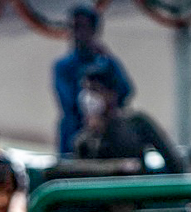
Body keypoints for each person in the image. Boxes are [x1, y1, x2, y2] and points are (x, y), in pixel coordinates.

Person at [73, 63, 184, 174]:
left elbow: (172, 160)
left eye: (95, 90)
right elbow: (83, 168)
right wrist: (94, 134)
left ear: (112, 94)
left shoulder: (136, 123)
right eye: (86, 90)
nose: (88, 97)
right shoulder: (86, 136)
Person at [54, 5, 134, 155]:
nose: (77, 33)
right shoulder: (64, 66)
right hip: (74, 133)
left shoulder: (107, 62)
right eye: (74, 27)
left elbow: (126, 90)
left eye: (82, 27)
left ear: (93, 30)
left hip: (108, 135)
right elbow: (69, 102)